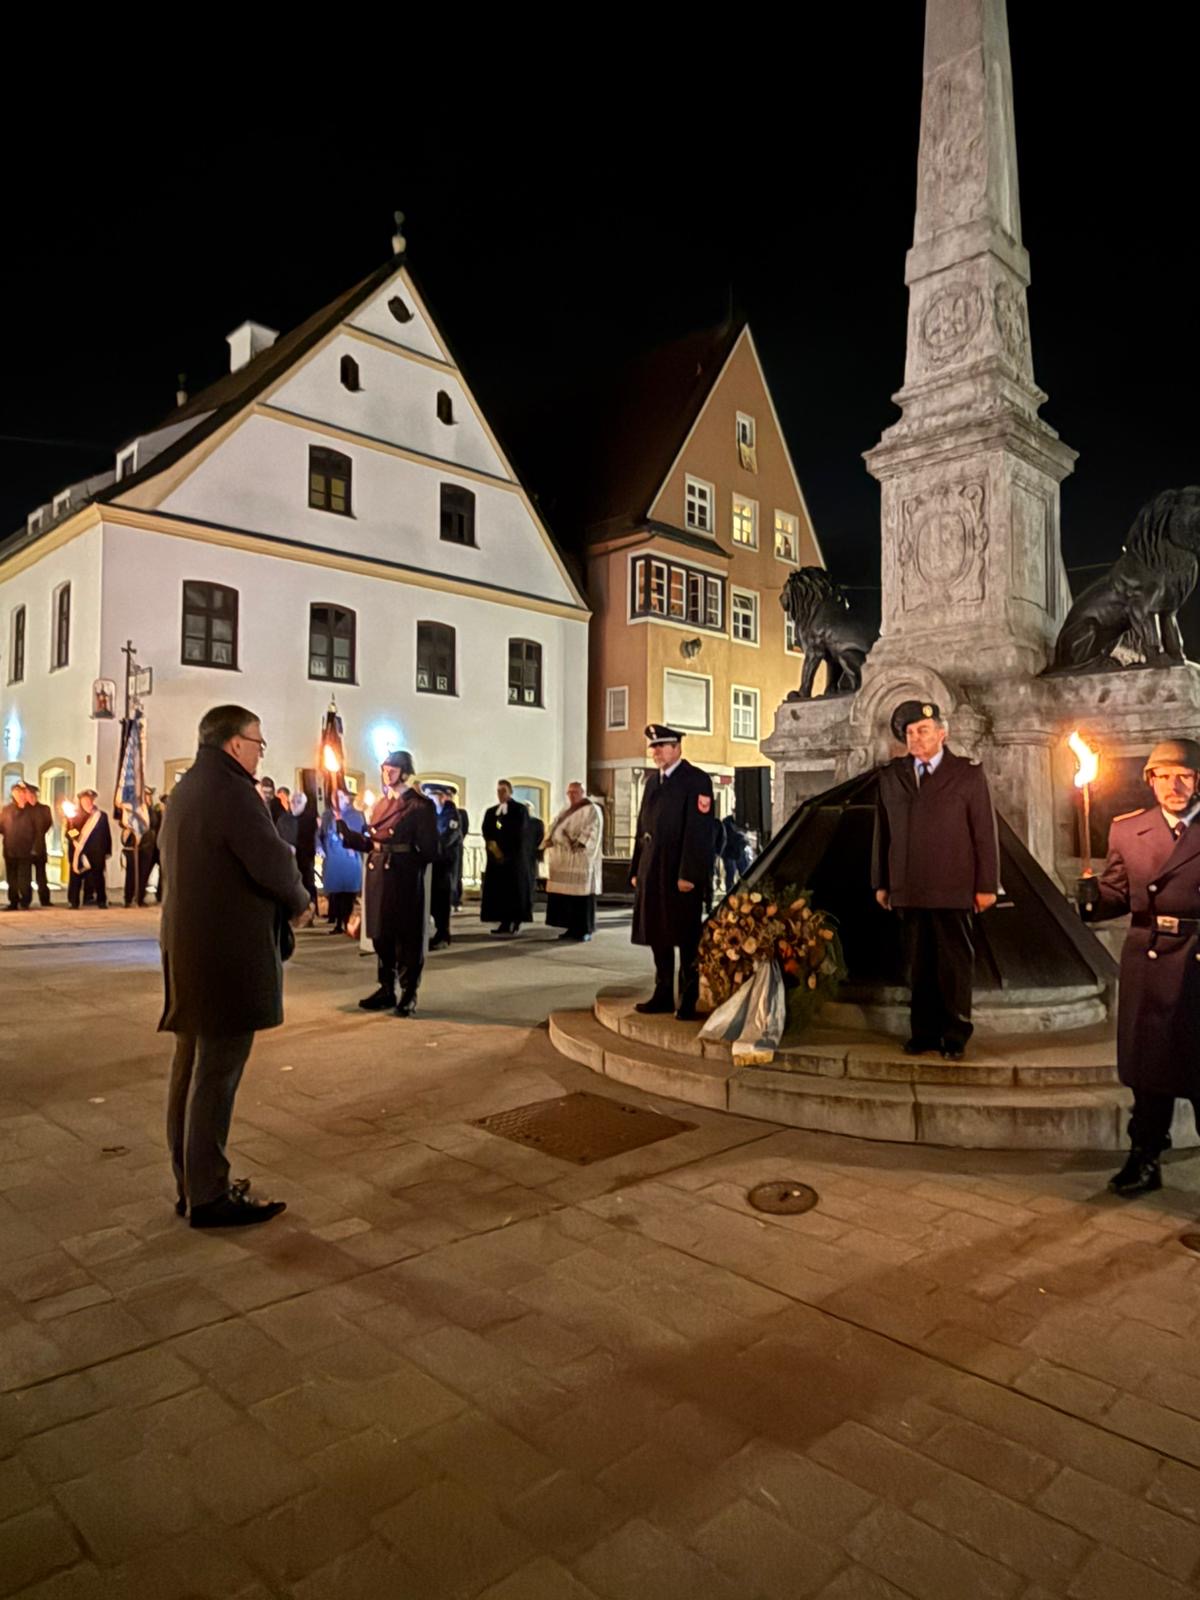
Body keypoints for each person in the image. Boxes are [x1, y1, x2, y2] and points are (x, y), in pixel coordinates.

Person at [158, 703, 308, 1227]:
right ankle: (209, 1195)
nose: (260, 752)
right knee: (216, 1073)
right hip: (225, 955)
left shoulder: (187, 788)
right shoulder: (233, 791)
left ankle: (191, 1183)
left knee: (189, 1068)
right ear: (235, 743)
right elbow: (272, 859)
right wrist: (299, 900)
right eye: (258, 742)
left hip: (190, 951)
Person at [1079, 738, 1200, 1196]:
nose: (1174, 785)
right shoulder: (1128, 830)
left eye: (1184, 776)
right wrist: (1092, 900)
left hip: (1197, 957)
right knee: (1149, 1071)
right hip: (1149, 959)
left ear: (1197, 781)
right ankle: (1145, 1158)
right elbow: (1118, 892)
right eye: (1164, 776)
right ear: (1151, 781)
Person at [872, 700, 999, 1061]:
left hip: (953, 885)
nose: (916, 737)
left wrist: (987, 885)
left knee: (953, 965)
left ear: (942, 734)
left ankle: (954, 1034)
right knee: (918, 964)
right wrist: (881, 882)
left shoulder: (967, 774)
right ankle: (923, 1033)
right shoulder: (892, 775)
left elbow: (984, 833)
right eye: (910, 732)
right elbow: (883, 832)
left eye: (923, 730)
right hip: (908, 886)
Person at [340, 750, 438, 1017]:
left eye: (392, 770)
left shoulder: (419, 806)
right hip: (378, 874)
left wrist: (408, 865)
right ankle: (386, 988)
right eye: (384, 769)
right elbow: (373, 842)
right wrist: (348, 835)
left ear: (405, 772)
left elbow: (430, 849)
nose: (387, 774)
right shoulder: (382, 804)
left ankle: (408, 992)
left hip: (403, 876)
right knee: (381, 934)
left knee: (406, 936)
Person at [629, 724, 716, 1020]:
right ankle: (663, 993)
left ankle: (688, 998)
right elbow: (642, 827)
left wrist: (689, 873)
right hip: (653, 869)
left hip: (679, 873)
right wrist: (636, 867)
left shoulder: (696, 780)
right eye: (653, 747)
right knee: (657, 933)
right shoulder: (653, 782)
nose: (655, 752)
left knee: (686, 937)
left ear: (677, 747)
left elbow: (699, 832)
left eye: (661, 746)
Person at [545, 782, 603, 941]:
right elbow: (554, 826)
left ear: (583, 792)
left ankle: (584, 929)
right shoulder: (565, 810)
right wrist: (551, 837)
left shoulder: (592, 809)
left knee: (581, 896)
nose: (571, 795)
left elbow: (593, 829)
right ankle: (571, 927)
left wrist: (579, 841)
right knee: (567, 897)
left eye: (575, 792)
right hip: (563, 859)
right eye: (569, 792)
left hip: (580, 860)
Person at [481, 780, 531, 937]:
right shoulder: (492, 812)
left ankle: (515, 921)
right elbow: (489, 829)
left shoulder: (519, 810)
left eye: (503, 790)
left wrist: (506, 851)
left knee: (514, 891)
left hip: (513, 859)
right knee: (500, 892)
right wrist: (493, 846)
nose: (500, 794)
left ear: (510, 792)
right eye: (498, 791)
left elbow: (520, 832)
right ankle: (503, 921)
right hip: (496, 860)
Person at [423, 782, 464, 949]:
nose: (429, 800)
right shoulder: (432, 814)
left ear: (442, 797)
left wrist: (431, 848)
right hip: (434, 864)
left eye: (432, 796)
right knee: (433, 900)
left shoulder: (451, 814)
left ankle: (443, 935)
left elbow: (448, 837)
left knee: (441, 901)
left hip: (445, 865)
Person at [318, 789, 363, 934]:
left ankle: (345, 920)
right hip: (333, 859)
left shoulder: (356, 815)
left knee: (347, 893)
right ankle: (337, 923)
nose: (337, 800)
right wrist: (319, 847)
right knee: (336, 893)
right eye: (335, 797)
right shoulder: (327, 815)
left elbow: (360, 836)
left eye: (341, 797)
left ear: (347, 799)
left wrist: (354, 846)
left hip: (348, 860)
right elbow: (320, 834)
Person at [66, 791, 112, 909]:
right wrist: (74, 833)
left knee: (98, 877)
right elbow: (68, 833)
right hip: (79, 851)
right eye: (86, 800)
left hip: (96, 852)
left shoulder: (101, 816)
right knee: (76, 877)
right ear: (81, 801)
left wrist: (107, 851)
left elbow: (106, 834)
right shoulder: (73, 815)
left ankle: (101, 901)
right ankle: (73, 901)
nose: (89, 802)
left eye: (90, 800)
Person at [1, 782, 36, 911]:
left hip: (26, 849)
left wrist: (35, 847)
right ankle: (13, 901)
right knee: (12, 878)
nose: (19, 795)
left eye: (22, 792)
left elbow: (40, 829)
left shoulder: (32, 810)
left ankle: (25, 901)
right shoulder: (7, 810)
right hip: (10, 849)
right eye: (17, 792)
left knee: (24, 878)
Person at [23, 783, 53, 907]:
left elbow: (47, 824)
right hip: (25, 848)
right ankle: (26, 900)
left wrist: (38, 836)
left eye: (32, 794)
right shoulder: (23, 810)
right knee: (26, 877)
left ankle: (45, 900)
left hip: (39, 846)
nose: (31, 797)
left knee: (41, 876)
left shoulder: (44, 809)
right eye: (28, 794)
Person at [719, 815, 753, 896]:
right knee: (731, 873)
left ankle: (745, 893)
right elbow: (724, 837)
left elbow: (747, 834)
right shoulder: (726, 822)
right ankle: (729, 894)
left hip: (740, 851)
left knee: (745, 873)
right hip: (729, 852)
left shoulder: (743, 820)